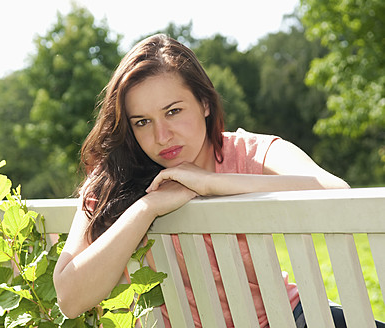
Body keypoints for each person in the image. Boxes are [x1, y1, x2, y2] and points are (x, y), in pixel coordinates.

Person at [53, 34, 377, 328]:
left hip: (289, 318)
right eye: (142, 122)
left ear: (205, 103)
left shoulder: (250, 152)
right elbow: (70, 298)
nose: (162, 136)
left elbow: (336, 192)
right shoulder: (115, 182)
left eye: (173, 111)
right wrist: (147, 207)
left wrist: (212, 183)